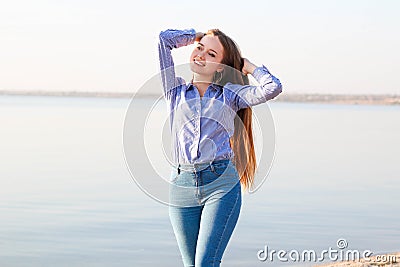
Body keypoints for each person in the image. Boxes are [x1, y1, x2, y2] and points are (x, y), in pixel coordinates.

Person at [158, 28, 282, 267]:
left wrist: (250, 67)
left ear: (221, 67)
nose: (201, 55)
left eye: (211, 54)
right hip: (181, 184)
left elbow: (272, 88)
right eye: (199, 49)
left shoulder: (231, 95)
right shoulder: (175, 92)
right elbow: (164, 40)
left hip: (221, 184)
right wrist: (195, 36)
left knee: (206, 263)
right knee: (190, 264)